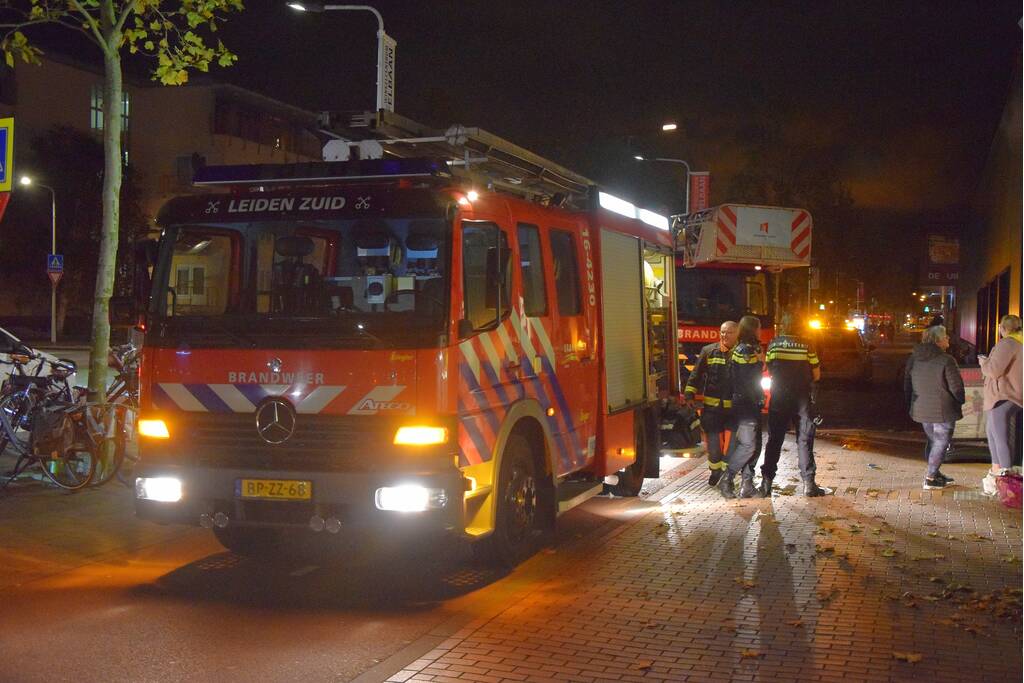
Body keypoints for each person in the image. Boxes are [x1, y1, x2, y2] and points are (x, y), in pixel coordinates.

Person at [759, 314, 829, 497]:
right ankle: (808, 484)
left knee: (774, 440)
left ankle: (766, 483)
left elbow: (769, 368)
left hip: (779, 397)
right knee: (804, 440)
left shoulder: (774, 344)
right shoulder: (808, 344)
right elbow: (817, 374)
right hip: (802, 399)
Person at [904, 325, 965, 489]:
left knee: (933, 441)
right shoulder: (946, 360)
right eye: (946, 336)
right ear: (938, 340)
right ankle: (930, 478)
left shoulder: (914, 358)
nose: (948, 339)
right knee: (940, 443)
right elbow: (956, 387)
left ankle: (935, 473)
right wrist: (960, 401)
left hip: (921, 408)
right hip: (943, 410)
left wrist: (911, 404)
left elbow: (907, 384)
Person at [684, 321, 739, 486]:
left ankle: (727, 474)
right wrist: (689, 395)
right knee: (714, 445)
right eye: (722, 332)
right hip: (712, 408)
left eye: (728, 332)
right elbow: (696, 374)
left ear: (737, 334)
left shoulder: (742, 353)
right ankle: (715, 472)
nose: (724, 335)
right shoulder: (708, 351)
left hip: (734, 408)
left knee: (731, 445)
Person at [718, 315, 764, 499]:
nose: (760, 331)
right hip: (746, 404)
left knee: (755, 445)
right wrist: (760, 362)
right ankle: (727, 479)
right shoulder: (745, 351)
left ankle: (747, 484)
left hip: (749, 403)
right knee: (748, 446)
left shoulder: (746, 349)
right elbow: (747, 380)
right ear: (753, 329)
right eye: (759, 327)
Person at [979, 314, 1023, 494]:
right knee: (992, 432)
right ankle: (997, 473)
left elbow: (994, 370)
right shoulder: (1019, 343)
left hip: (1003, 394)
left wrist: (983, 362)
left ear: (1003, 328)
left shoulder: (1008, 344)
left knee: (998, 435)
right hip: (1011, 393)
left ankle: (1005, 479)